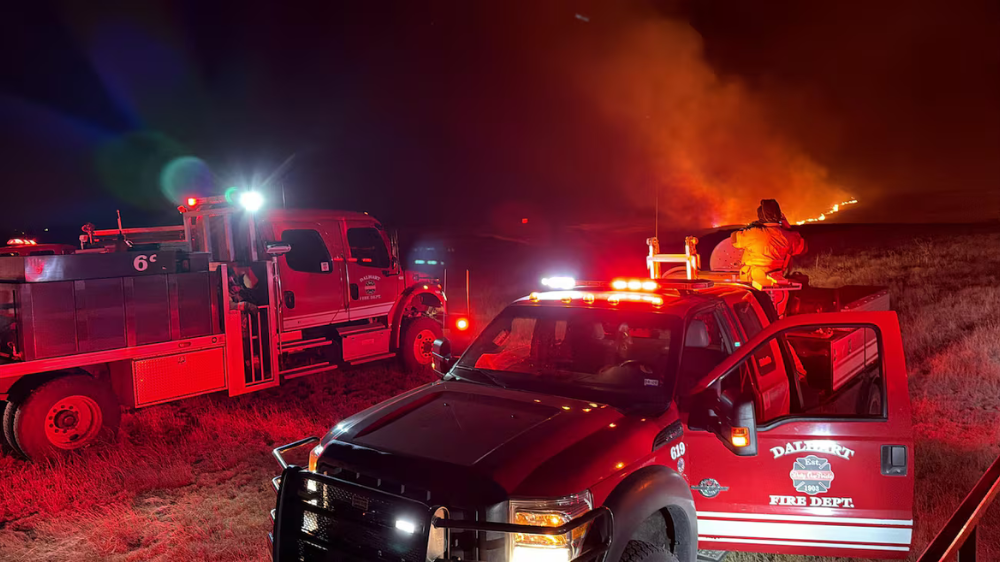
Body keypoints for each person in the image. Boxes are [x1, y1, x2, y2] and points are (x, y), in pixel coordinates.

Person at [730, 199, 806, 286]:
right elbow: (802, 248)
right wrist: (788, 228)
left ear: (761, 216)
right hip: (777, 277)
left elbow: (734, 239)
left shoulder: (754, 233)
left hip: (753, 278)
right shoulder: (789, 236)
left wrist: (750, 227)